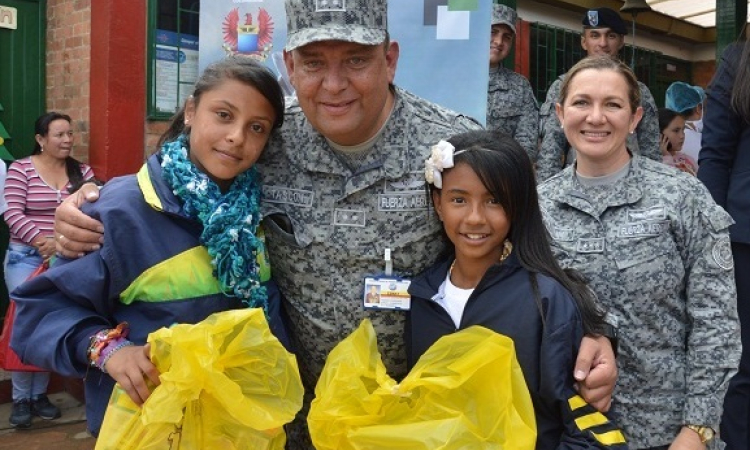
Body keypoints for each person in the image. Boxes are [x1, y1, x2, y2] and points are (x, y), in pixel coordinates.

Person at [52, 1, 619, 447]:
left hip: (416, 417)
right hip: (287, 415)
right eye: (315, 62)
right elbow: (177, 186)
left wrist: (592, 326)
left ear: (390, 59)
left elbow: (529, 234)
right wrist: (87, 204)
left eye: (356, 60)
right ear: (290, 65)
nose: (335, 83)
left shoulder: (450, 141)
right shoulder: (262, 138)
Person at [9, 56, 287, 437]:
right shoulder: (118, 210)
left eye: (257, 127)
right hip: (150, 430)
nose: (237, 136)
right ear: (191, 110)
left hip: (245, 429)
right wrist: (108, 351)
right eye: (224, 115)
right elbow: (40, 315)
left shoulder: (264, 211)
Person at [538, 56, 741, 450]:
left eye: (612, 104)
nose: (596, 117)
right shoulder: (537, 207)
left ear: (635, 118)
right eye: (582, 103)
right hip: (571, 431)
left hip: (666, 431)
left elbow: (716, 320)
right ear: (561, 115)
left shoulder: (682, 196)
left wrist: (698, 428)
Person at [408, 130, 625, 450]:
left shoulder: (547, 302)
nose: (475, 218)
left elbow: (591, 431)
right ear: (438, 204)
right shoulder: (423, 296)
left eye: (494, 200)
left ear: (518, 207)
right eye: (458, 200)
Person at [3, 111, 95, 429]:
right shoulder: (21, 169)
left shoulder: (82, 172)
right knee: (25, 323)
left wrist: (60, 245)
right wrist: (42, 240)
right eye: (59, 134)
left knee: (48, 324)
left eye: (70, 134)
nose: (67, 140)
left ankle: (40, 395)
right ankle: (20, 399)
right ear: (41, 140)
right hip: (24, 259)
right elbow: (12, 212)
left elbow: (93, 208)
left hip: (64, 260)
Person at [697, 36, 750, 450]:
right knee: (742, 367)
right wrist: (714, 237)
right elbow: (714, 155)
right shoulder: (739, 59)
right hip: (744, 240)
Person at [536, 7, 660, 182]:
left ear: (621, 41)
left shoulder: (639, 91)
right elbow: (551, 150)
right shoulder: (562, 87)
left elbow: (651, 150)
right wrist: (545, 199)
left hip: (631, 186)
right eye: (595, 35)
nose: (603, 43)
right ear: (584, 42)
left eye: (611, 36)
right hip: (577, 187)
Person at [485, 4, 539, 161]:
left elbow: (526, 143)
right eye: (492, 32)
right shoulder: (454, 78)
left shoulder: (520, 86)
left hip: (501, 174)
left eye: (506, 37)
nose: (499, 41)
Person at [665, 81, 705, 164]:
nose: (682, 136)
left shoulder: (668, 143)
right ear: (698, 108)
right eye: (676, 130)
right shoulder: (705, 141)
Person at [658, 107, 696, 175]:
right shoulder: (655, 163)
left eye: (683, 130)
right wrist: (666, 157)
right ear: (660, 133)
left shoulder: (687, 159)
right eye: (676, 131)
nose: (682, 136)